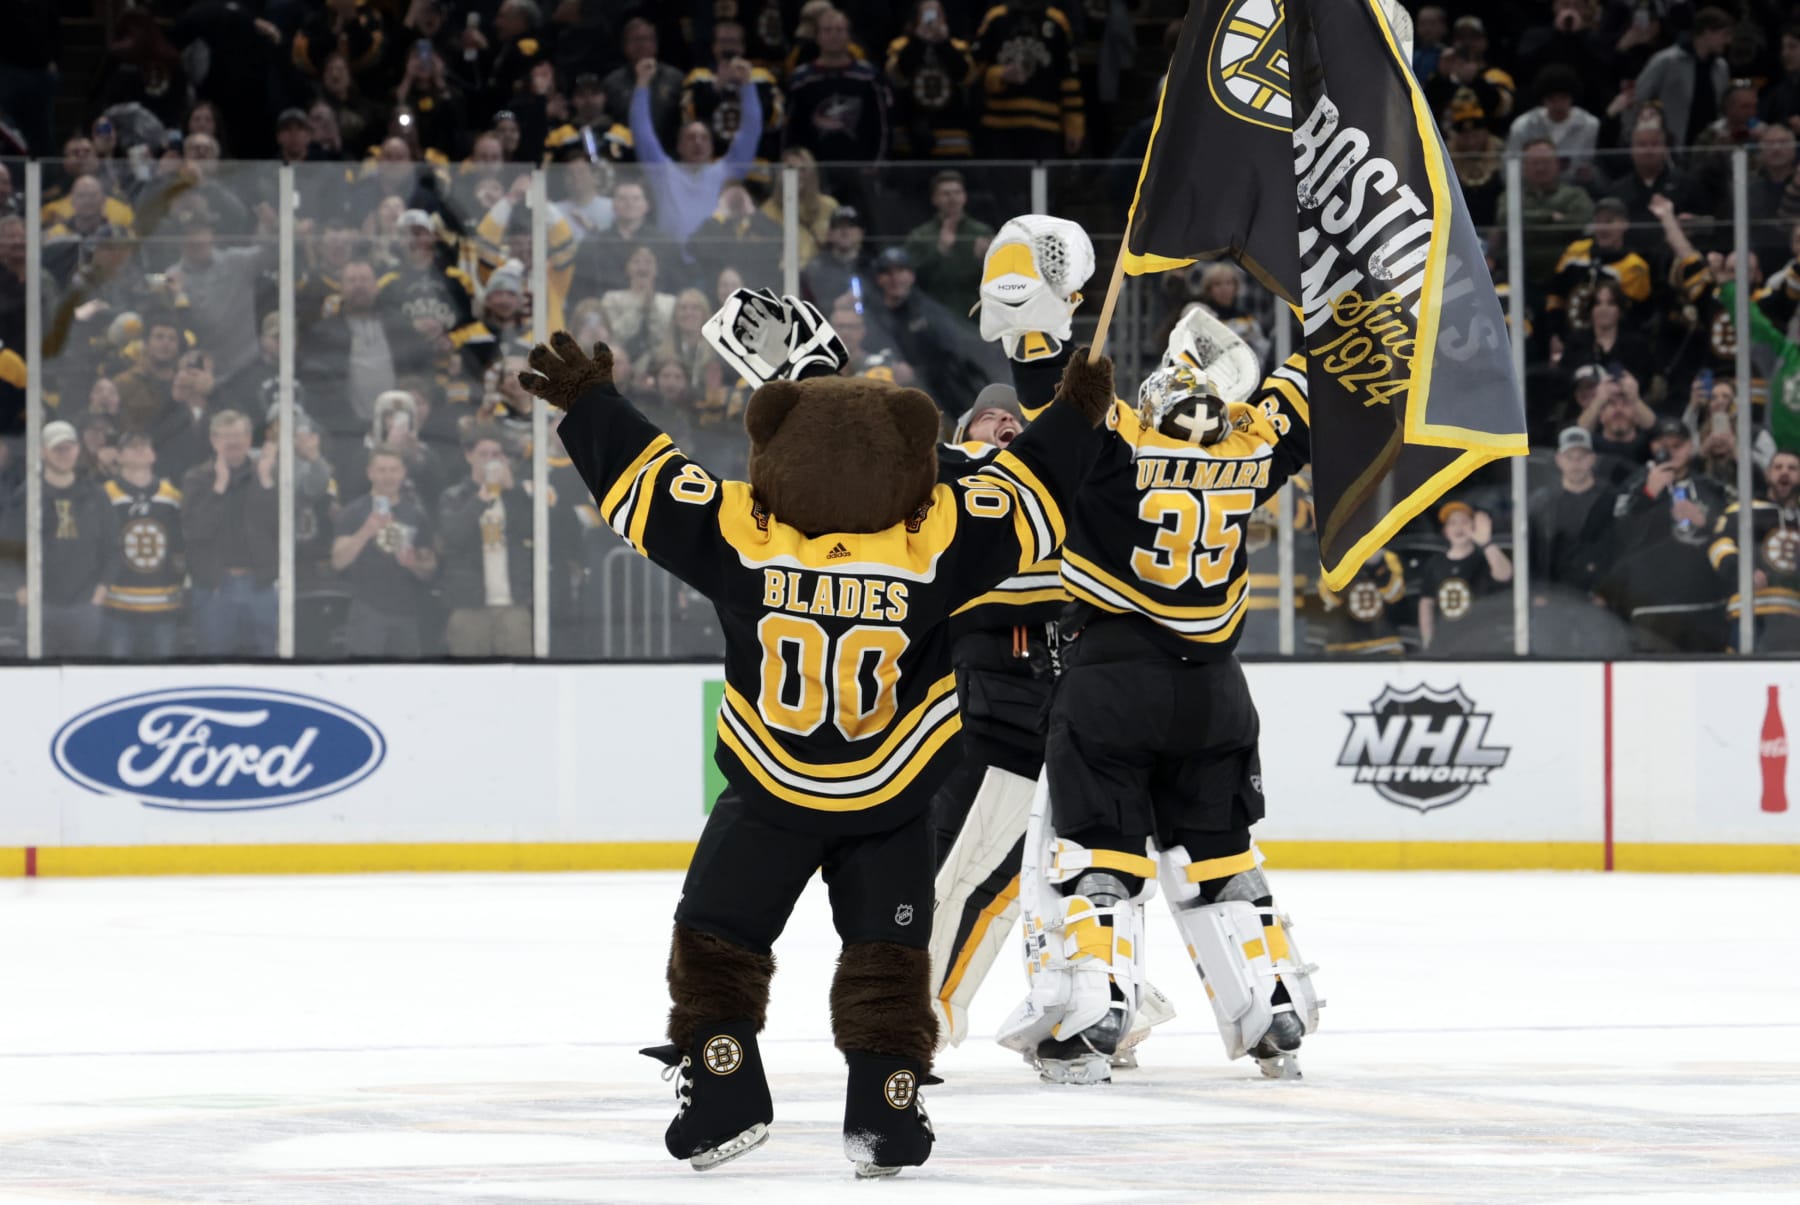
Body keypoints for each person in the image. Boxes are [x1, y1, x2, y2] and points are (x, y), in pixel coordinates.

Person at [519, 288, 1112, 1174]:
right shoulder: (933, 538)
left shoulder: (743, 528)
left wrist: (592, 403)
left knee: (716, 939)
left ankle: (722, 1091)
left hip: (770, 791)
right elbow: (1024, 491)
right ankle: (887, 1110)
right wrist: (1075, 414)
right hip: (889, 795)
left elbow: (650, 481)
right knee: (888, 957)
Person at [991, 291, 1321, 1085]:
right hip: (1216, 692)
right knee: (1222, 856)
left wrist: (1034, 316)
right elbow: (1304, 398)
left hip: (1113, 677)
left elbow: (1052, 401)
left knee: (1100, 857)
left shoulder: (1119, 447)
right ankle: (1274, 1005)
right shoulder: (1246, 449)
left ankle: (1093, 1014)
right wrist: (1328, 311)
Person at [1602, 416, 1731, 651]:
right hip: (1650, 609)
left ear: (1690, 447)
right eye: (1664, 447)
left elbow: (1734, 532)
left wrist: (1706, 522)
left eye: (1677, 446)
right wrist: (1649, 494)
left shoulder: (1711, 489)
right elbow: (1619, 536)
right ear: (1653, 448)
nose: (1670, 453)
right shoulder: (1633, 486)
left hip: (1704, 609)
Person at [630, 56, 764, 244]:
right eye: (690, 138)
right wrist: (642, 84)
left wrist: (747, 86)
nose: (698, 143)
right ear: (678, 146)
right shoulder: (663, 172)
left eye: (704, 138)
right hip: (671, 261)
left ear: (711, 146)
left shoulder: (726, 171)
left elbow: (751, 131)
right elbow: (642, 133)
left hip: (713, 261)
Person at [3, 421, 110, 656]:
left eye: (68, 447)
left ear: (78, 449)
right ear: (42, 451)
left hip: (84, 606)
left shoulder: (96, 496)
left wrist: (100, 591)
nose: (64, 454)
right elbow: (8, 549)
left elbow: (112, 547)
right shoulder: (26, 496)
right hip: (40, 606)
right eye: (57, 448)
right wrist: (21, 591)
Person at [181, 410, 279, 656]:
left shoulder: (268, 476)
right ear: (213, 440)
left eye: (238, 435)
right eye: (226, 436)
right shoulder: (197, 478)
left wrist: (266, 481)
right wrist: (219, 488)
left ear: (248, 438)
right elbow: (194, 531)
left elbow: (281, 528)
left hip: (261, 586)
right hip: (215, 588)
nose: (233, 442)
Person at [332, 446, 437, 656]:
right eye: (381, 470)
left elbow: (431, 569)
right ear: (370, 473)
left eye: (393, 470)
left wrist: (413, 563)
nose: (388, 476)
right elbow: (338, 561)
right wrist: (366, 532)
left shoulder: (416, 514)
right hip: (367, 610)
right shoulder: (353, 512)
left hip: (407, 611)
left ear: (403, 473)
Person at [436, 425, 532, 656]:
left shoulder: (515, 495)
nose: (491, 460)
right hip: (469, 604)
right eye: (484, 454)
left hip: (512, 603)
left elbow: (532, 529)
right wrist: (480, 499)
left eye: (496, 454)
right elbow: (453, 535)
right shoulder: (454, 495)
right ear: (469, 457)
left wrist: (514, 491)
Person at [98, 430, 185, 659]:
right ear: (118, 456)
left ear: (154, 455)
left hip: (163, 606)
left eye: (144, 445)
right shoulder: (103, 495)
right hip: (117, 607)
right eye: (132, 446)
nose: (139, 449)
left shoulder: (172, 497)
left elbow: (180, 547)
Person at [971, 0, 1083, 160]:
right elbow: (972, 72)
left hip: (1045, 125)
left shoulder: (1057, 21)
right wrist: (1001, 74)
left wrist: (1074, 127)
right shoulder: (996, 18)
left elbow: (1070, 80)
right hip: (999, 126)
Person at [1711, 449, 1800, 650]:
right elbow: (1719, 546)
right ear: (1768, 474)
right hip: (1749, 611)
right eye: (1778, 467)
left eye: (1792, 468)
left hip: (1795, 614)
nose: (1784, 472)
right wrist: (1743, 573)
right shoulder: (1743, 509)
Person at [783, 7, 892, 168]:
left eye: (839, 30)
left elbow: (884, 125)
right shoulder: (801, 79)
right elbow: (789, 130)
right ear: (817, 37)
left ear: (849, 35)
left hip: (861, 170)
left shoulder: (869, 77)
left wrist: (877, 163)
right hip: (811, 169)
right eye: (827, 30)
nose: (833, 35)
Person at [1493, 139, 1593, 291]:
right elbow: (1505, 219)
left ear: (1557, 164)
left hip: (1566, 277)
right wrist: (1550, 217)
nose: (1540, 168)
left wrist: (1528, 223)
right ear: (1524, 167)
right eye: (1534, 163)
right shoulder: (1510, 196)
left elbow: (1580, 223)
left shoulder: (1575, 195)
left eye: (1545, 162)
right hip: (1519, 276)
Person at [1628, 6, 1733, 147]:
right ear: (1708, 32)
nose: (1728, 41)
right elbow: (1638, 98)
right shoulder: (1666, 61)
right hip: (1673, 145)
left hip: (1709, 147)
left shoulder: (1721, 67)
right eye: (1724, 34)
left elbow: (1722, 107)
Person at [885, 0, 978, 159]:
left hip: (952, 138)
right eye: (926, 14)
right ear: (916, 18)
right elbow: (896, 77)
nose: (932, 20)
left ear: (945, 18)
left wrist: (944, 44)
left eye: (938, 14)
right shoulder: (899, 46)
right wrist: (918, 42)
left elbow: (967, 77)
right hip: (909, 141)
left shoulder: (959, 47)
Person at [1529, 426, 1615, 598]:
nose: (1576, 463)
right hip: (1555, 596)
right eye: (1570, 457)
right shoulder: (1542, 503)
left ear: (1592, 459)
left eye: (1582, 457)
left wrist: (1607, 593)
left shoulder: (1610, 499)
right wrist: (1538, 592)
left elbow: (1618, 549)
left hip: (1597, 596)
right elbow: (1532, 551)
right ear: (1559, 460)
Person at [1417, 501, 1513, 652]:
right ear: (1445, 531)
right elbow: (1426, 603)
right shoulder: (1435, 564)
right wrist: (1427, 640)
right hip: (1444, 645)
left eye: (1464, 522)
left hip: (1480, 645)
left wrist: (1486, 543)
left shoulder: (1484, 559)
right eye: (1452, 523)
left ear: (1473, 527)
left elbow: (1505, 575)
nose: (1458, 527)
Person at [682, 19, 785, 161]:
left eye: (734, 42)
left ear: (743, 47)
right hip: (711, 166)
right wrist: (716, 86)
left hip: (756, 167)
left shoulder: (763, 77)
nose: (729, 48)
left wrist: (747, 86)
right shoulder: (698, 77)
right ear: (714, 46)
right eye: (723, 41)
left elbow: (775, 119)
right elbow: (689, 119)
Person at [903, 170, 992, 317]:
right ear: (934, 199)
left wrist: (984, 262)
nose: (952, 198)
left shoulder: (981, 232)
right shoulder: (920, 235)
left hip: (974, 316)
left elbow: (998, 282)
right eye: (946, 194)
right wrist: (939, 251)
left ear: (965, 196)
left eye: (957, 192)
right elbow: (909, 279)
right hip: (934, 314)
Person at [1505, 65, 1599, 183]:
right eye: (1552, 99)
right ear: (1543, 100)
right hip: (1531, 191)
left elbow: (1589, 165)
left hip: (1574, 191)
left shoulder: (1589, 125)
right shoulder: (1522, 126)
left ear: (1572, 97)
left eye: (1563, 98)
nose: (1558, 105)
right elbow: (1510, 167)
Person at [601, 17, 684, 151]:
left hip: (668, 155)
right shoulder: (612, 83)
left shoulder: (675, 79)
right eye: (635, 40)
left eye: (646, 39)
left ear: (655, 44)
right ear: (625, 46)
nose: (641, 45)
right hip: (626, 158)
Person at [802, 206, 876, 310]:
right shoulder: (814, 270)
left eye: (851, 226)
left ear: (861, 233)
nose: (845, 232)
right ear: (829, 234)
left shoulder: (873, 267)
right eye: (839, 226)